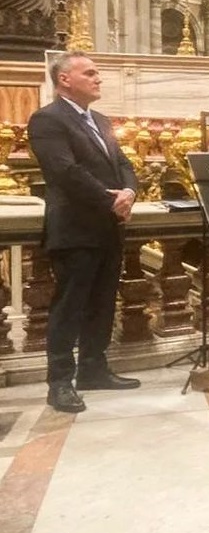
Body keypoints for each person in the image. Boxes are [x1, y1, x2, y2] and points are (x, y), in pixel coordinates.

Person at [27, 52, 142, 414]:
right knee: (69, 307)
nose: (98, 79)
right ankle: (59, 383)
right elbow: (65, 171)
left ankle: (93, 369)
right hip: (75, 228)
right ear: (64, 79)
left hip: (108, 228)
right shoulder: (47, 120)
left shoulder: (101, 120)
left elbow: (123, 164)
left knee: (103, 302)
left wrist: (130, 192)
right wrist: (109, 201)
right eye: (90, 73)